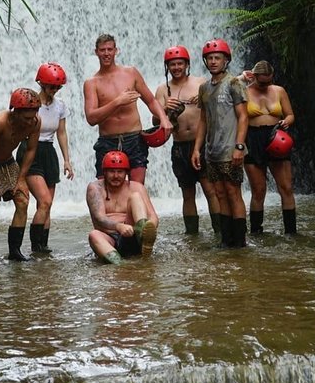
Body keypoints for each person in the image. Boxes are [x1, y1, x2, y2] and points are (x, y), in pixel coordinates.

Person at [83, 33, 173, 184]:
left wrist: (164, 119)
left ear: (116, 50)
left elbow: (151, 101)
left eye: (109, 49)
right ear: (96, 52)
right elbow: (91, 118)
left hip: (134, 139)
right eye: (102, 50)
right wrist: (117, 102)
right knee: (106, 194)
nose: (106, 53)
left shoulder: (131, 73)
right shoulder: (91, 83)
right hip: (107, 141)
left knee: (137, 189)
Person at [154, 45, 221, 234]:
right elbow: (155, 121)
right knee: (187, 193)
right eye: (172, 64)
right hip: (179, 145)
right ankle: (191, 234)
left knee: (210, 190)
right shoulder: (162, 90)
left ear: (187, 64)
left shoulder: (201, 83)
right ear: (167, 67)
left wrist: (203, 101)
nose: (176, 67)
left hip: (203, 143)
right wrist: (165, 109)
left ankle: (220, 232)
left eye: (180, 63)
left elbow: (218, 105)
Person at [191, 38, 248, 248]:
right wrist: (197, 149)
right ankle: (226, 240)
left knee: (234, 193)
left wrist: (239, 146)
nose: (214, 61)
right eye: (210, 58)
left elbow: (243, 117)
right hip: (212, 151)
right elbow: (203, 120)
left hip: (231, 148)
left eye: (218, 58)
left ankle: (240, 241)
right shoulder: (204, 88)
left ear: (226, 60)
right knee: (220, 194)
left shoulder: (234, 83)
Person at [0, 88, 41, 265]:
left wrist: (21, 179)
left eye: (33, 116)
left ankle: (14, 251)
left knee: (23, 201)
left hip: (8, 162)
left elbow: (31, 149)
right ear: (15, 112)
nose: (30, 121)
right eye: (26, 117)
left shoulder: (35, 122)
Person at [16, 63, 74, 254]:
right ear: (41, 83)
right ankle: (35, 247)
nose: (54, 90)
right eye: (51, 87)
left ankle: (43, 246)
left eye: (58, 87)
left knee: (47, 206)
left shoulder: (60, 106)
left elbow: (62, 133)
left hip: (49, 152)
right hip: (30, 150)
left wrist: (67, 160)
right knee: (45, 201)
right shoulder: (31, 102)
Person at [240, 60, 297, 234]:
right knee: (259, 190)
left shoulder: (279, 91)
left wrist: (286, 121)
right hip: (253, 137)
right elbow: (224, 87)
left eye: (268, 81)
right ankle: (256, 231)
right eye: (261, 81)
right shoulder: (244, 91)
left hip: (276, 136)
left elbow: (290, 114)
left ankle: (291, 231)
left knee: (286, 187)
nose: (265, 85)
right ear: (254, 77)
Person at [86, 151, 158, 264]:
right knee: (93, 235)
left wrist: (149, 230)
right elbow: (99, 218)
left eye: (120, 172)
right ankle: (119, 264)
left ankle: (143, 237)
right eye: (111, 171)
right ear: (104, 172)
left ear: (126, 173)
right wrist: (118, 226)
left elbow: (153, 217)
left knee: (135, 197)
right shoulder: (95, 188)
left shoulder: (137, 187)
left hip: (134, 234)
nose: (116, 176)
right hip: (109, 238)